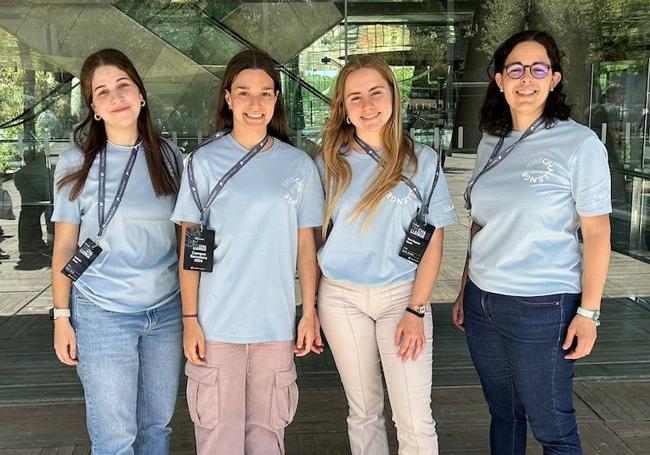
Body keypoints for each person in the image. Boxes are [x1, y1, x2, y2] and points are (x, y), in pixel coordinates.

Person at [452, 30, 611, 455]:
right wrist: (464, 288)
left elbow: (597, 233)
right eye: (515, 70)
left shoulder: (579, 144)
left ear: (554, 78)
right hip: (483, 301)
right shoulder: (491, 141)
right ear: (500, 80)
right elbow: (480, 223)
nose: (526, 79)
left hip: (543, 307)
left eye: (538, 69)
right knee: (504, 414)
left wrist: (589, 313)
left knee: (552, 427)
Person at [171, 49, 324, 455]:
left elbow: (306, 246)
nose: (255, 105)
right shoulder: (202, 163)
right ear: (227, 97)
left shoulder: (298, 165)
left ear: (277, 99)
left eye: (265, 93)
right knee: (218, 439)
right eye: (244, 92)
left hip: (274, 326)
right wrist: (190, 319)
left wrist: (308, 312)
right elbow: (190, 247)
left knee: (268, 438)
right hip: (216, 325)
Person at [316, 54, 458, 455]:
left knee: (413, 417)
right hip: (340, 298)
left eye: (376, 92)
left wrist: (416, 310)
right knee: (363, 410)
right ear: (343, 108)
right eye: (355, 97)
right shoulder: (327, 164)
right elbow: (309, 240)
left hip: (401, 297)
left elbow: (432, 240)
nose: (367, 105)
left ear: (394, 97)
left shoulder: (422, 162)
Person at [51, 48, 183, 455]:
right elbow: (65, 247)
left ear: (140, 94)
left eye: (123, 85)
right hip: (101, 314)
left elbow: (185, 239)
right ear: (94, 108)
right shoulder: (76, 162)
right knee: (114, 440)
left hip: (166, 311)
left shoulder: (169, 156)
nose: (116, 96)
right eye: (102, 91)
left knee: (156, 430)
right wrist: (61, 318)